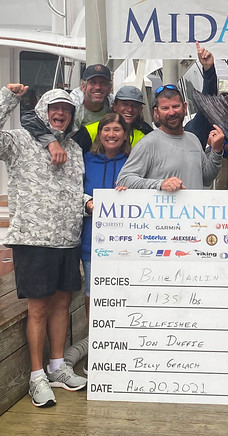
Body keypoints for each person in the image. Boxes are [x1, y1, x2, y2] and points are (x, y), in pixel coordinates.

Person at [0, 84, 88, 407]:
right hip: (32, 240)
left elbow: (75, 190)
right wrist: (8, 97)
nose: (60, 113)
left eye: (66, 109)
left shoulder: (76, 150)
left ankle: (57, 365)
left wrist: (89, 203)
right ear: (42, 111)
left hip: (68, 240)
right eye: (54, 108)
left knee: (63, 303)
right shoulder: (19, 141)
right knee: (37, 308)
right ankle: (36, 375)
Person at [21, 42, 218, 163]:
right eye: (124, 104)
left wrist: (209, 72)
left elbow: (208, 109)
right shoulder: (87, 125)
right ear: (114, 105)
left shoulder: (148, 134)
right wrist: (52, 143)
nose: (129, 109)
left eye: (134, 105)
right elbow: (34, 119)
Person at [80, 113, 131, 374]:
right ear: (99, 134)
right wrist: (87, 202)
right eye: (107, 129)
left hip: (126, 246)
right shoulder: (85, 160)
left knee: (123, 297)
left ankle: (123, 349)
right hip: (91, 242)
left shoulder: (133, 162)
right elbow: (74, 189)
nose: (112, 134)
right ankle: (96, 350)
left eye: (117, 130)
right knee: (93, 298)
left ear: (125, 134)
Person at [116, 83, 224, 190]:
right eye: (165, 108)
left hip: (192, 207)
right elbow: (124, 179)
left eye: (176, 106)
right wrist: (160, 184)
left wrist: (216, 151)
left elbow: (206, 179)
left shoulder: (193, 139)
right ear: (156, 112)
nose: (172, 112)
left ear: (185, 107)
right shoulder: (148, 143)